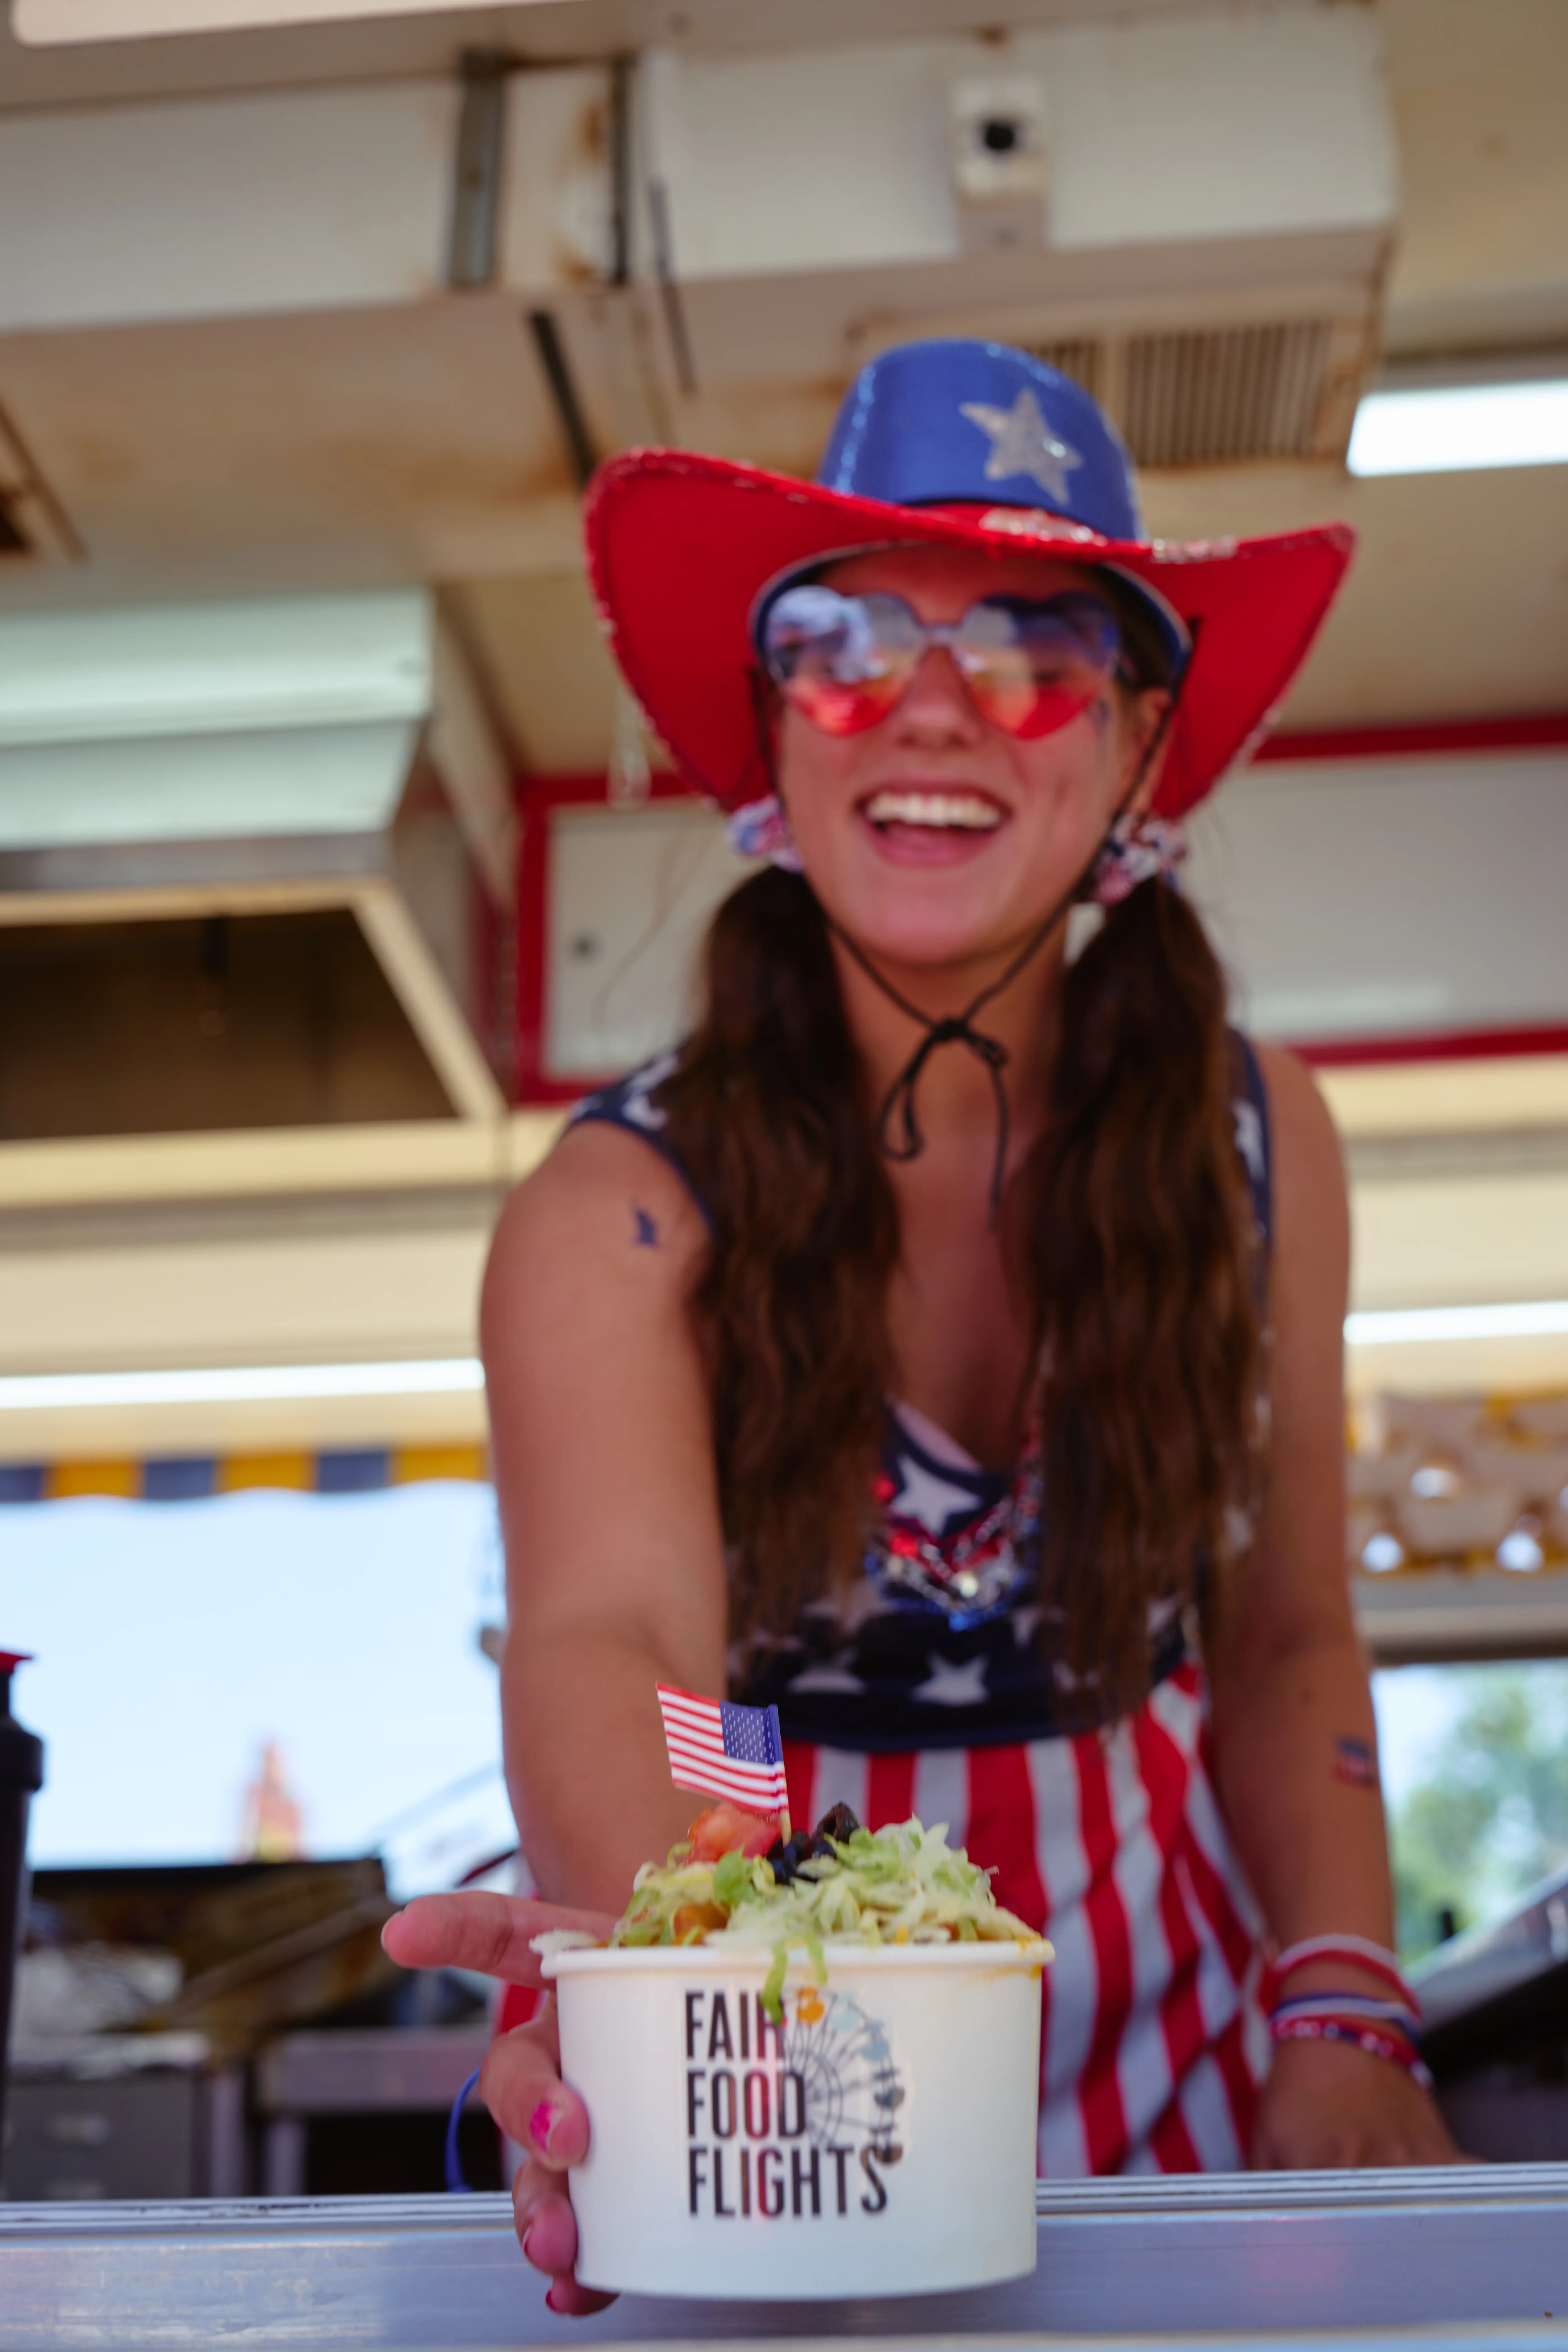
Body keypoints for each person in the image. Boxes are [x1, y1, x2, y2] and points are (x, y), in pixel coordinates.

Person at [384, 339, 1459, 2310]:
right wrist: (678, 1970)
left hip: (1192, 2116)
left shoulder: (1258, 1136)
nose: (937, 709)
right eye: (849, 640)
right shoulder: (617, 1213)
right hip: (793, 2090)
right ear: (774, 737)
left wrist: (1343, 2006)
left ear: (1137, 747)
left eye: (1038, 646)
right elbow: (642, 1650)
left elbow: (1286, 1623)